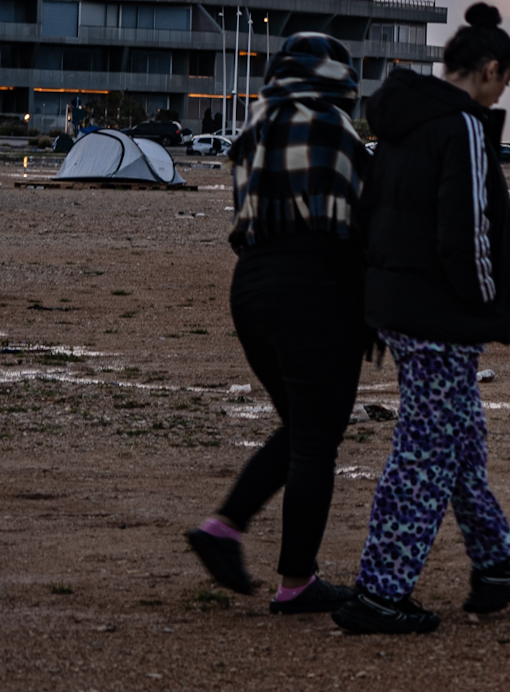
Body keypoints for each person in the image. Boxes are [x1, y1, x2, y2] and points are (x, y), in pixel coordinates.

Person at [332, 4, 510, 635]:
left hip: (401, 309)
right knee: (426, 452)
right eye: (505, 82)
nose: (502, 92)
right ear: (489, 71)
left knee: (458, 440)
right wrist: (484, 306)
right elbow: (468, 229)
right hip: (439, 316)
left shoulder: (406, 123)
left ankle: (494, 563)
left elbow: (373, 212)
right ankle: (380, 591)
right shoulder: (460, 127)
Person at [184, 33, 369, 615]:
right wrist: (369, 311)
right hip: (312, 286)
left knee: (302, 428)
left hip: (252, 287)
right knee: (317, 439)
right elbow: (350, 229)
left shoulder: (253, 132)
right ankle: (296, 582)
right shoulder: (334, 129)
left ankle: (224, 529)